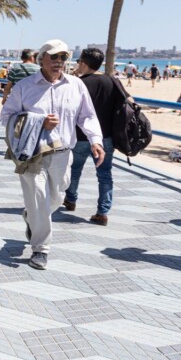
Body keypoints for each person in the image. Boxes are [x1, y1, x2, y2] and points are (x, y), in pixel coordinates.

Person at [0, 39, 104, 271]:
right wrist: (38, 122)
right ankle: (41, 249)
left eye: (63, 58)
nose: (59, 62)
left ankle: (31, 217)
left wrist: (95, 140)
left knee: (57, 197)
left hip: (63, 153)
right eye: (54, 57)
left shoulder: (76, 85)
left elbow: (87, 116)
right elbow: (6, 117)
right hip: (33, 153)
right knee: (39, 198)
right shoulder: (25, 86)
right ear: (42, 59)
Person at [63, 47, 123, 226]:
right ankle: (102, 212)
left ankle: (71, 199)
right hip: (106, 137)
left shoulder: (78, 83)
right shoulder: (111, 81)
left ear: (84, 63)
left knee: (74, 170)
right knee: (105, 174)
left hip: (82, 136)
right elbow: (128, 101)